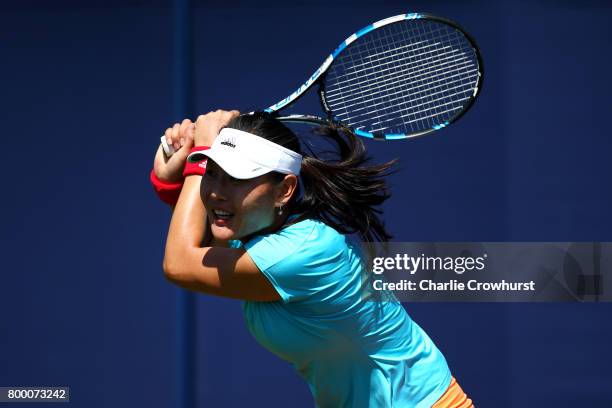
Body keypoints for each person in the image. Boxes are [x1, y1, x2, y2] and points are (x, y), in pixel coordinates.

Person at [151, 110, 474, 407]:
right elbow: (196, 245)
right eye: (213, 173)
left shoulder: (301, 252)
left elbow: (181, 263)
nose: (217, 191)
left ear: (284, 190)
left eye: (236, 178)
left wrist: (199, 156)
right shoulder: (258, 237)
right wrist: (172, 182)